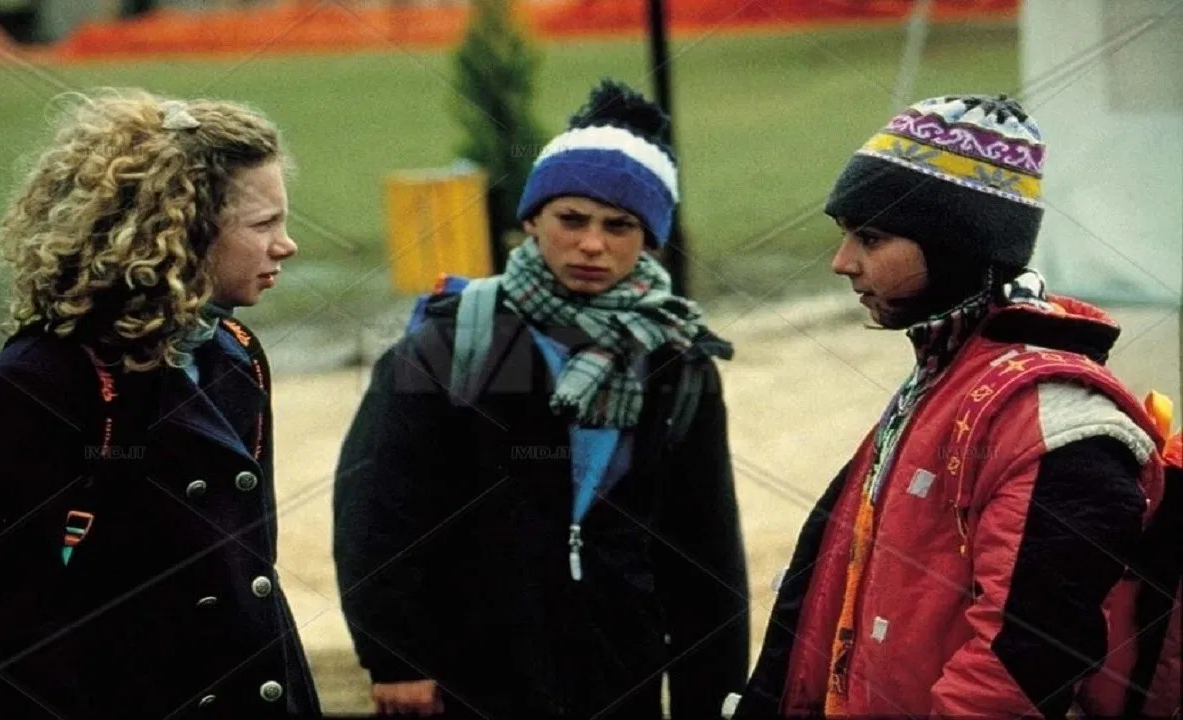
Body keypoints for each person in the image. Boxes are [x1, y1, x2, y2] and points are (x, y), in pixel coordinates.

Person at [729, 94, 1181, 718]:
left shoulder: (1056, 421)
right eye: (844, 235)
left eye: (871, 237)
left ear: (955, 245)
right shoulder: (943, 378)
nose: (842, 263)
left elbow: (1025, 659)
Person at [333, 79, 750, 719]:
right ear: (532, 220)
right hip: (469, 676)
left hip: (619, 672)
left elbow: (705, 548)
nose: (592, 244)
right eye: (571, 219)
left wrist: (713, 695)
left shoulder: (677, 360)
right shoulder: (453, 341)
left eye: (619, 225)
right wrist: (396, 657)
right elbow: (379, 507)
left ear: (650, 239)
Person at [0, 89, 321, 719]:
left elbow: (249, 573)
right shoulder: (34, 385)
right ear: (180, 230)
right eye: (263, 225)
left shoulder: (236, 353)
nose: (287, 245)